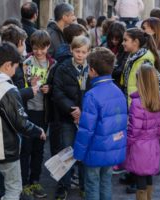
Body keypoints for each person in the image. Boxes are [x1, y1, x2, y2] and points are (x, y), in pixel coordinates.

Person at [0, 42, 46, 200]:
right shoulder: (7, 90)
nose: (16, 70)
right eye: (15, 67)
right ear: (7, 65)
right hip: (5, 149)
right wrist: (38, 131)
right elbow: (21, 123)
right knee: (13, 188)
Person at [73, 47, 128, 200]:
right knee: (106, 182)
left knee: (92, 184)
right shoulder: (118, 91)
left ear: (92, 70)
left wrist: (78, 153)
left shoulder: (92, 95)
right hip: (112, 147)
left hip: (94, 150)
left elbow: (86, 130)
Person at [52, 36, 91, 200]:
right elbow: (57, 92)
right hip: (67, 117)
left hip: (86, 117)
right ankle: (63, 186)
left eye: (83, 52)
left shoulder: (92, 69)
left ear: (88, 52)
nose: (80, 55)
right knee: (66, 152)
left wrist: (83, 110)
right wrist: (72, 109)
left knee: (83, 152)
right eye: (77, 51)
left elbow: (94, 92)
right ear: (71, 51)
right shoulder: (63, 68)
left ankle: (84, 185)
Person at [20, 30, 56, 199]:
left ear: (48, 46)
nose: (39, 51)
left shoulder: (52, 64)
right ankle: (24, 182)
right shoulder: (26, 62)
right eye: (36, 48)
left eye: (42, 48)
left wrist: (50, 89)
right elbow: (19, 87)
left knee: (39, 149)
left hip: (43, 111)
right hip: (28, 110)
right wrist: (29, 86)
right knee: (25, 148)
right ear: (31, 46)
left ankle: (35, 180)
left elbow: (57, 86)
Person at [123, 63, 160, 200]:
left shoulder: (137, 103)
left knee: (140, 181)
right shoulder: (159, 101)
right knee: (148, 178)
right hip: (153, 145)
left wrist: (126, 144)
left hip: (140, 147)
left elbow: (134, 130)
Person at [121, 28, 160, 106]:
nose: (122, 43)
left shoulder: (144, 59)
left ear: (135, 42)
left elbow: (148, 86)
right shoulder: (133, 55)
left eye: (125, 40)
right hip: (133, 102)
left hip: (140, 105)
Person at [141, 17, 160, 102]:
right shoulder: (156, 48)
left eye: (145, 28)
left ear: (154, 30)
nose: (142, 31)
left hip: (153, 96)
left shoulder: (156, 51)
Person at [104, 22, 128, 88]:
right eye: (112, 38)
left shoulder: (126, 49)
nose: (114, 41)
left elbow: (122, 68)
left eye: (117, 39)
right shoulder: (105, 46)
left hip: (119, 83)